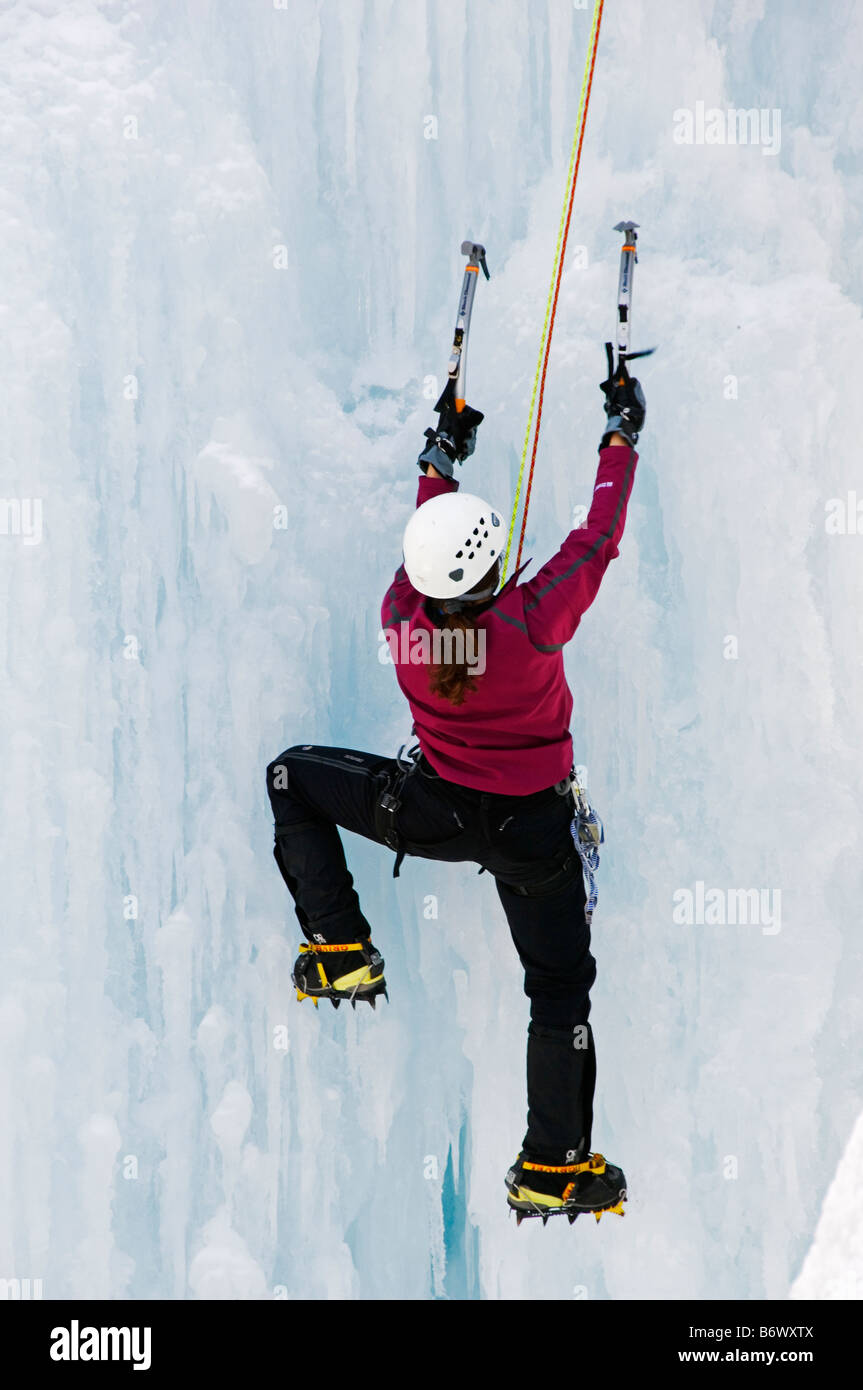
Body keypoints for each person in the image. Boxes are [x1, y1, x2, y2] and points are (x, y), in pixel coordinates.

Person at [266, 352, 646, 1222]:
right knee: (557, 991)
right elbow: (595, 538)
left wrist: (437, 459)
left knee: (292, 777)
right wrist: (619, 436)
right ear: (494, 570)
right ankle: (552, 1163)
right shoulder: (529, 622)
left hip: (433, 810)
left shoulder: (402, 624)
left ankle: (339, 949)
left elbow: (421, 556)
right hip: (532, 836)